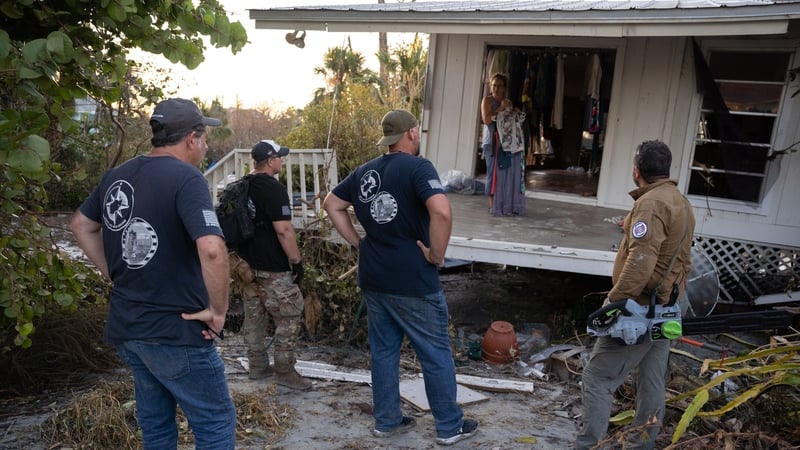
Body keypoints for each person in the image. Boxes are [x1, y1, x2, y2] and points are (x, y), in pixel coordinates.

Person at [69, 98, 237, 449]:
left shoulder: (117, 176)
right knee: (215, 422)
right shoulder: (187, 178)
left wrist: (114, 274)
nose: (204, 146)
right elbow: (211, 247)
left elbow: (81, 225)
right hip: (176, 328)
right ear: (193, 138)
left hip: (130, 327)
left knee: (156, 426)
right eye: (203, 138)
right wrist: (219, 311)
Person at [322, 109, 479, 446]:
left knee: (383, 352)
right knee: (435, 352)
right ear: (410, 134)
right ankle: (449, 427)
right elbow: (441, 211)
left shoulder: (365, 171)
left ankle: (388, 421)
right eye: (417, 131)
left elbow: (331, 204)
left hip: (375, 277)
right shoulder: (419, 167)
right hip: (413, 279)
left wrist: (358, 241)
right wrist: (437, 255)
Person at [576, 140, 695, 450]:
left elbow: (641, 263)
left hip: (641, 308)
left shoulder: (651, 204)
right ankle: (642, 443)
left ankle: (588, 445)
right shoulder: (679, 200)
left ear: (636, 171)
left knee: (597, 379)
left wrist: (613, 303)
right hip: (668, 304)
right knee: (651, 380)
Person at [228, 139, 312, 391]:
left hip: (244, 266)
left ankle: (257, 367)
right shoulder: (273, 188)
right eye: (280, 157)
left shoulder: (239, 186)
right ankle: (285, 371)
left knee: (254, 316)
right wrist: (296, 261)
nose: (282, 161)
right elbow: (284, 230)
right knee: (290, 314)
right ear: (271, 160)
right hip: (272, 267)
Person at [480, 73, 526, 216]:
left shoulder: (508, 102)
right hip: (491, 142)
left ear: (504, 88)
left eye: (499, 86)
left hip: (504, 143)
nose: (496, 88)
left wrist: (514, 112)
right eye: (494, 85)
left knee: (503, 174)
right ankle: (492, 204)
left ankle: (503, 203)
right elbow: (487, 120)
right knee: (491, 173)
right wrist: (500, 108)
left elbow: (510, 121)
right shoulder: (487, 101)